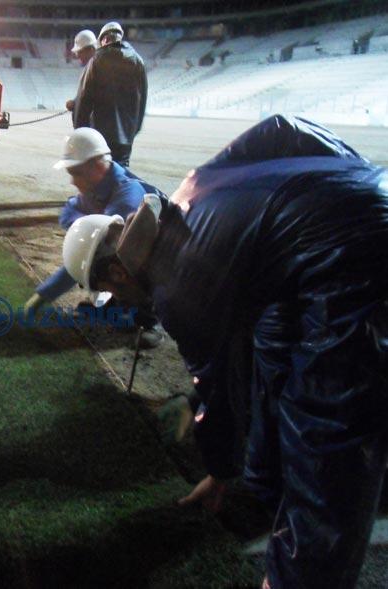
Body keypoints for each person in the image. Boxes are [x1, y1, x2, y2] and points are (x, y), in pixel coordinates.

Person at [61, 115, 388, 589]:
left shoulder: (175, 291)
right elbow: (281, 127)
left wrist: (217, 472)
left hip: (348, 260)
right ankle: (268, 481)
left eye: (113, 293)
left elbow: (217, 387)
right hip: (358, 202)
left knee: (326, 434)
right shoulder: (191, 191)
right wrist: (361, 182)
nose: (121, 301)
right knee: (273, 349)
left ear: (115, 274)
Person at [25, 127, 163, 348]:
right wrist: (85, 225)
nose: (72, 181)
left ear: (97, 165)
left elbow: (93, 252)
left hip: (164, 268)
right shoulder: (96, 188)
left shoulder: (127, 196)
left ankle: (148, 321)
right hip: (134, 262)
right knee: (109, 266)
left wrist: (45, 294)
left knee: (114, 268)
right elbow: (68, 212)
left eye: (76, 172)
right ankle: (116, 308)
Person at [73, 21, 147, 168]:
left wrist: (81, 133)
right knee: (120, 175)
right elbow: (142, 101)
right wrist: (132, 132)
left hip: (100, 138)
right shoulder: (138, 61)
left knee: (99, 176)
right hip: (126, 139)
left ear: (103, 39)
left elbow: (84, 102)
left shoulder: (97, 60)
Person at [65, 30, 97, 115]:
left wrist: (76, 103)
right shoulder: (90, 69)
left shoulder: (100, 70)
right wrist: (75, 102)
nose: (77, 56)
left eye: (80, 52)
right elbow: (85, 93)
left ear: (91, 49)